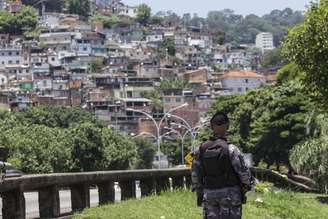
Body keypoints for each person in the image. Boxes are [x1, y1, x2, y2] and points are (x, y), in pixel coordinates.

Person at [192, 112, 252, 219]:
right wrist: (246, 186)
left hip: (209, 194)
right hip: (231, 195)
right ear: (228, 126)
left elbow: (195, 175)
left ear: (211, 126)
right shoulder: (231, 149)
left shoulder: (200, 150)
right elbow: (244, 173)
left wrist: (200, 192)